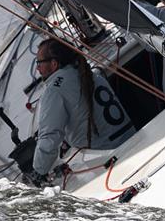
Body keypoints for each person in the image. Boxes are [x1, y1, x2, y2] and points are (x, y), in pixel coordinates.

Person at [31, 38, 136, 183]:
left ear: (54, 64)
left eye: (39, 63)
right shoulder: (89, 74)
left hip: (108, 156)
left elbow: (50, 136)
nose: (37, 69)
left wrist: (39, 171)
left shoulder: (54, 90)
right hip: (133, 139)